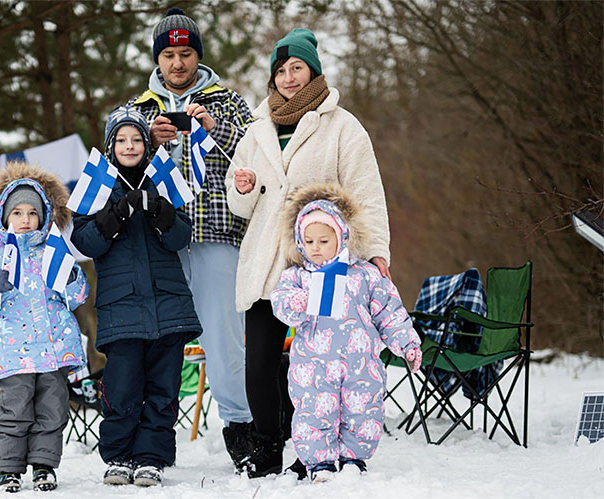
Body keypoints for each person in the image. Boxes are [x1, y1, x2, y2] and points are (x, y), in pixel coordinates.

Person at [225, 28, 392, 478]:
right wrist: (240, 189)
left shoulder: (342, 126)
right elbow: (240, 202)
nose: (288, 77)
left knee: (314, 363)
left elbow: (367, 194)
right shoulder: (257, 128)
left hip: (320, 263)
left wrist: (375, 251)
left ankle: (311, 449)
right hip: (266, 261)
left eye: (296, 67)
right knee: (259, 359)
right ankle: (265, 447)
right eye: (280, 70)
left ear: (313, 71)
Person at [129, 7, 255, 471]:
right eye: (169, 55)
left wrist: (213, 128)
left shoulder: (227, 101)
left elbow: (254, 152)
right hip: (158, 241)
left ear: (197, 56)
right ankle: (149, 438)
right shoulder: (138, 109)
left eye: (185, 53)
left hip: (216, 233)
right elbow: (115, 166)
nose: (177, 63)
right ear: (158, 60)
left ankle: (242, 429)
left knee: (222, 336)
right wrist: (149, 141)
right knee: (157, 338)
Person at [70, 106, 202, 487]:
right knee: (122, 387)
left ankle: (151, 457)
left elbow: (181, 237)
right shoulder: (97, 186)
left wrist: (162, 212)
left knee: (163, 389)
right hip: (121, 309)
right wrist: (111, 218)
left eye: (137, 139)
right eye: (121, 140)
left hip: (168, 306)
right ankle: (119, 455)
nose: (130, 146)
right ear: (111, 147)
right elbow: (84, 242)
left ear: (147, 144)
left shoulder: (161, 180)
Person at [270, 182, 422, 482]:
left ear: (341, 237)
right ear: (300, 243)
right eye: (309, 241)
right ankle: (320, 463)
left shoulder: (364, 275)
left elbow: (389, 312)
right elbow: (281, 306)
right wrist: (296, 303)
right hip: (314, 366)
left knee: (362, 410)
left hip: (360, 363)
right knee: (314, 412)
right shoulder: (298, 277)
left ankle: (354, 458)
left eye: (324, 241)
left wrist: (407, 344)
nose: (316, 247)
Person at [0, 162, 89, 493]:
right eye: (17, 212)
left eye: (32, 212)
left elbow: (77, 297)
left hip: (54, 349)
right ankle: (7, 468)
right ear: (4, 216)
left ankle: (44, 466)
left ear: (44, 215)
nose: (25, 219)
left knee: (53, 409)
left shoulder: (55, 252)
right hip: (13, 351)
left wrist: (73, 278)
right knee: (15, 410)